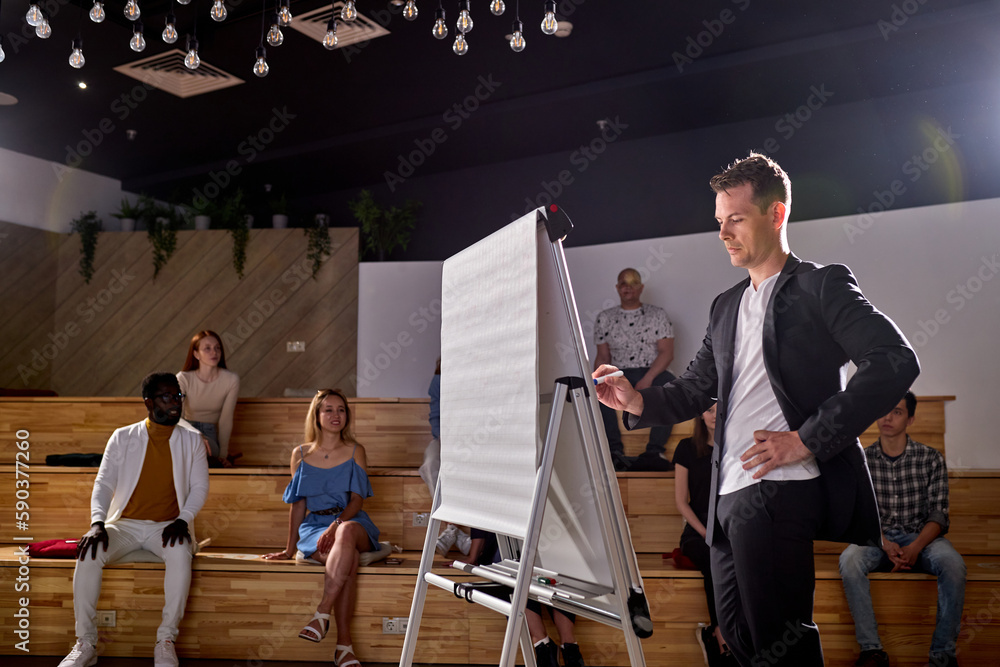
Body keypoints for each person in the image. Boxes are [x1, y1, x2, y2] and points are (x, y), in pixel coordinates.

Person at [594, 153, 919, 667]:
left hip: (777, 491)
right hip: (725, 501)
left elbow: (895, 360)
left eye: (736, 220)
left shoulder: (820, 285)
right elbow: (694, 388)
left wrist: (807, 438)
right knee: (741, 644)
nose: (723, 233)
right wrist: (635, 399)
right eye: (719, 222)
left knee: (779, 643)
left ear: (776, 215)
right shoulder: (726, 305)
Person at [59, 372, 209, 667]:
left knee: (180, 555)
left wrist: (183, 519)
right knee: (88, 554)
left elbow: (200, 487)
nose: (175, 403)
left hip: (168, 526)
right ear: (148, 402)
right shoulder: (123, 436)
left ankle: (166, 641)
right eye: (167, 397)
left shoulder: (192, 440)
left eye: (178, 396)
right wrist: (97, 523)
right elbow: (103, 483)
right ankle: (85, 644)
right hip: (123, 524)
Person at [839, 392, 966, 667]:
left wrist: (915, 548)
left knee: (953, 565)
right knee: (849, 560)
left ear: (910, 419)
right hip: (878, 540)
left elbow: (939, 515)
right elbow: (857, 515)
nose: (888, 417)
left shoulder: (930, 458)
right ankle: (872, 651)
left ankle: (942, 655)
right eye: (884, 410)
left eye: (896, 412)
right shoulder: (863, 461)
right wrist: (884, 543)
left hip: (922, 539)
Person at [262, 388, 380, 667]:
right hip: (315, 526)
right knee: (346, 563)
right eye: (328, 409)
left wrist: (336, 525)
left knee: (346, 532)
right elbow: (298, 504)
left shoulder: (355, 451)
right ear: (316, 416)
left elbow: (357, 500)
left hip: (352, 522)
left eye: (341, 409)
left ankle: (321, 613)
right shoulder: (300, 454)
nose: (335, 415)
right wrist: (290, 549)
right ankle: (344, 647)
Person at [455, 531, 585, 667]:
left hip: (547, 537)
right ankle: (542, 644)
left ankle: (570, 646)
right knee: (508, 565)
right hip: (506, 542)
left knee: (556, 559)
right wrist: (473, 556)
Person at [593, 268, 675, 471]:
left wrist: (648, 378)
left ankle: (653, 452)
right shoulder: (604, 318)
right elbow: (603, 357)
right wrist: (598, 380)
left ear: (641, 287)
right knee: (600, 390)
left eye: (632, 282)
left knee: (670, 387)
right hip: (619, 372)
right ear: (617, 288)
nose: (627, 286)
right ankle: (614, 453)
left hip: (652, 370)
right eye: (622, 282)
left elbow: (666, 353)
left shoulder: (658, 315)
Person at [673, 404, 737, 667]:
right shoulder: (686, 448)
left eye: (718, 409)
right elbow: (681, 502)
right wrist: (706, 533)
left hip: (731, 530)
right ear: (701, 414)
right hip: (697, 534)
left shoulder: (733, 446)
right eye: (709, 410)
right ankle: (720, 634)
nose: (713, 414)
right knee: (715, 560)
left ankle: (731, 636)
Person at [419, 357, 471, 557]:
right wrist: (447, 440)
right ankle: (454, 529)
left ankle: (454, 532)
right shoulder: (439, 379)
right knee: (430, 464)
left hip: (475, 440)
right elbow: (436, 416)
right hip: (444, 439)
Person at [177, 330, 240, 468]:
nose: (214, 352)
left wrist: (223, 455)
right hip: (186, 430)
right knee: (186, 447)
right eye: (207, 348)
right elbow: (177, 417)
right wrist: (196, 434)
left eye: (217, 348)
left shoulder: (231, 380)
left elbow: (225, 420)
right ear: (196, 354)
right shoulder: (183, 378)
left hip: (210, 435)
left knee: (199, 450)